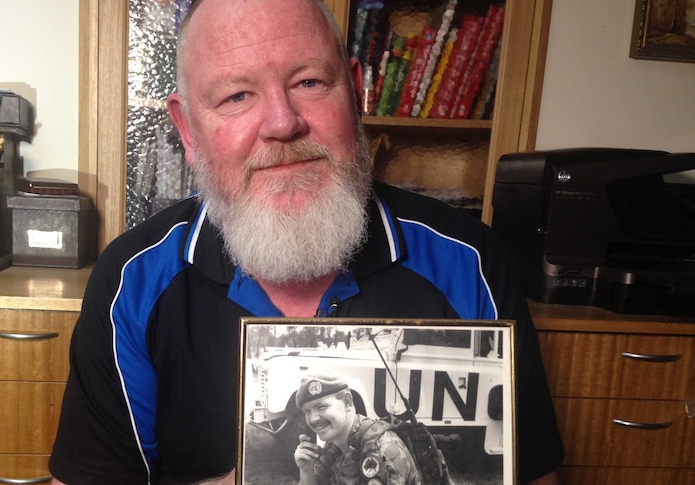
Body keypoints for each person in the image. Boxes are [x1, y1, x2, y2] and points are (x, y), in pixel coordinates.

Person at [48, 0, 565, 484]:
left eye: (310, 81)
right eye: (236, 95)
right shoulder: (131, 280)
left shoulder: (470, 262)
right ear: (187, 128)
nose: (281, 123)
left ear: (356, 94)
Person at [293, 373, 423, 485]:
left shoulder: (380, 449)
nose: (313, 419)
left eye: (321, 407)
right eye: (307, 411)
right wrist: (306, 471)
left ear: (347, 402)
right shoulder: (335, 446)